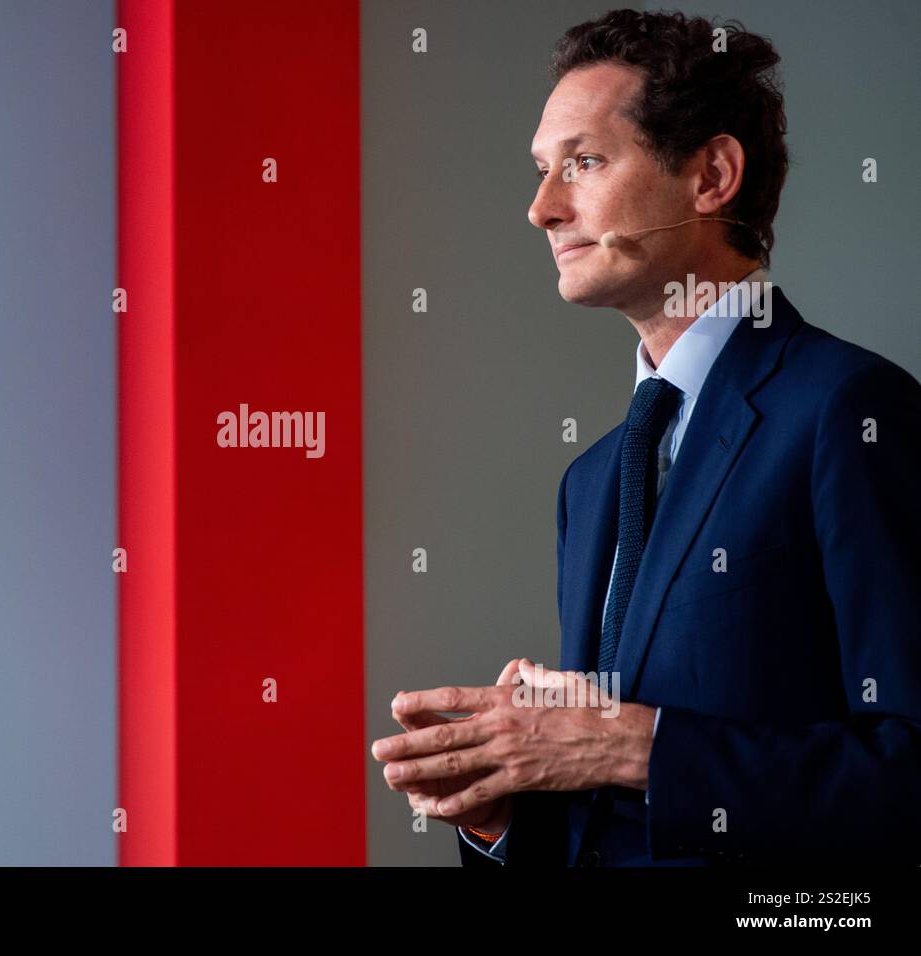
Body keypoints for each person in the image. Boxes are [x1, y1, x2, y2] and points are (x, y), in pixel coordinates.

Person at [370, 8, 921, 866]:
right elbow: (617, 806)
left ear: (711, 175)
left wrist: (636, 746)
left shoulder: (850, 409)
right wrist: (504, 808)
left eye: (584, 162)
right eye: (543, 171)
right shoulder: (592, 480)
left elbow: (911, 773)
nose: (542, 208)